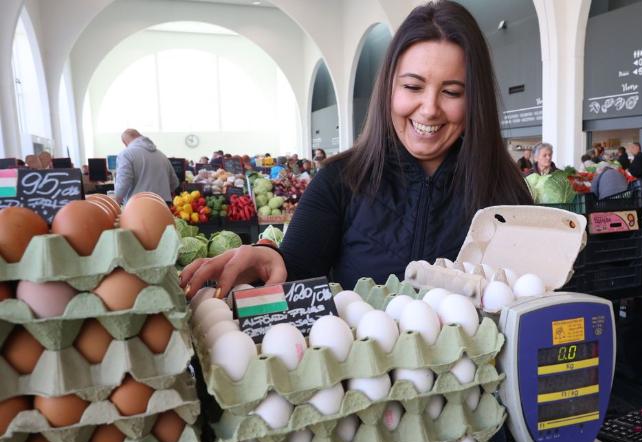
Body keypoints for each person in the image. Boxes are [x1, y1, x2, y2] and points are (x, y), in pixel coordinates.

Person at [180, 0, 531, 298]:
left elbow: (530, 292)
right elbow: (296, 269)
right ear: (389, 88)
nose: (429, 108)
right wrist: (266, 258)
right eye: (413, 86)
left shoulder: (505, 193)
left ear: (475, 101)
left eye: (452, 92)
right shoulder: (339, 181)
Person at [114, 129, 179, 203]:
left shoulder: (126, 154)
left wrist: (115, 203)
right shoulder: (162, 155)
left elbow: (123, 184)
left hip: (139, 206)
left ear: (125, 143)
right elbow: (174, 183)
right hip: (164, 205)